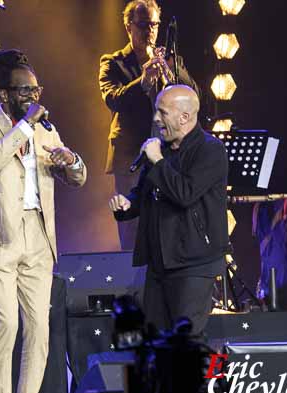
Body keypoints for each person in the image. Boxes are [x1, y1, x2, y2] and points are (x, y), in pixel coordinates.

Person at [0, 49, 86, 393]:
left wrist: (71, 160)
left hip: (38, 236)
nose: (34, 98)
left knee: (39, 328)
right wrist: (23, 128)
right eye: (24, 92)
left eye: (36, 91)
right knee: (7, 325)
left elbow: (78, 178)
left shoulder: (46, 129)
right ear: (4, 94)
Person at [109, 85, 227, 336]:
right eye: (156, 112)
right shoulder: (159, 151)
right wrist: (127, 205)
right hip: (160, 261)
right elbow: (143, 194)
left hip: (194, 262)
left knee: (185, 338)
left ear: (184, 117)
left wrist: (158, 161)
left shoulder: (210, 150)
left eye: (162, 113)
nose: (155, 119)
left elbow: (185, 193)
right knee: (157, 338)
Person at [99, 0, 199, 250]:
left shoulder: (172, 59)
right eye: (144, 25)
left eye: (154, 24)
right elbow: (113, 100)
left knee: (171, 219)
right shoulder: (113, 62)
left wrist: (170, 72)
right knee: (132, 226)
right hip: (132, 155)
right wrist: (142, 82)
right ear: (128, 27)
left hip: (170, 155)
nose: (150, 31)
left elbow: (194, 95)